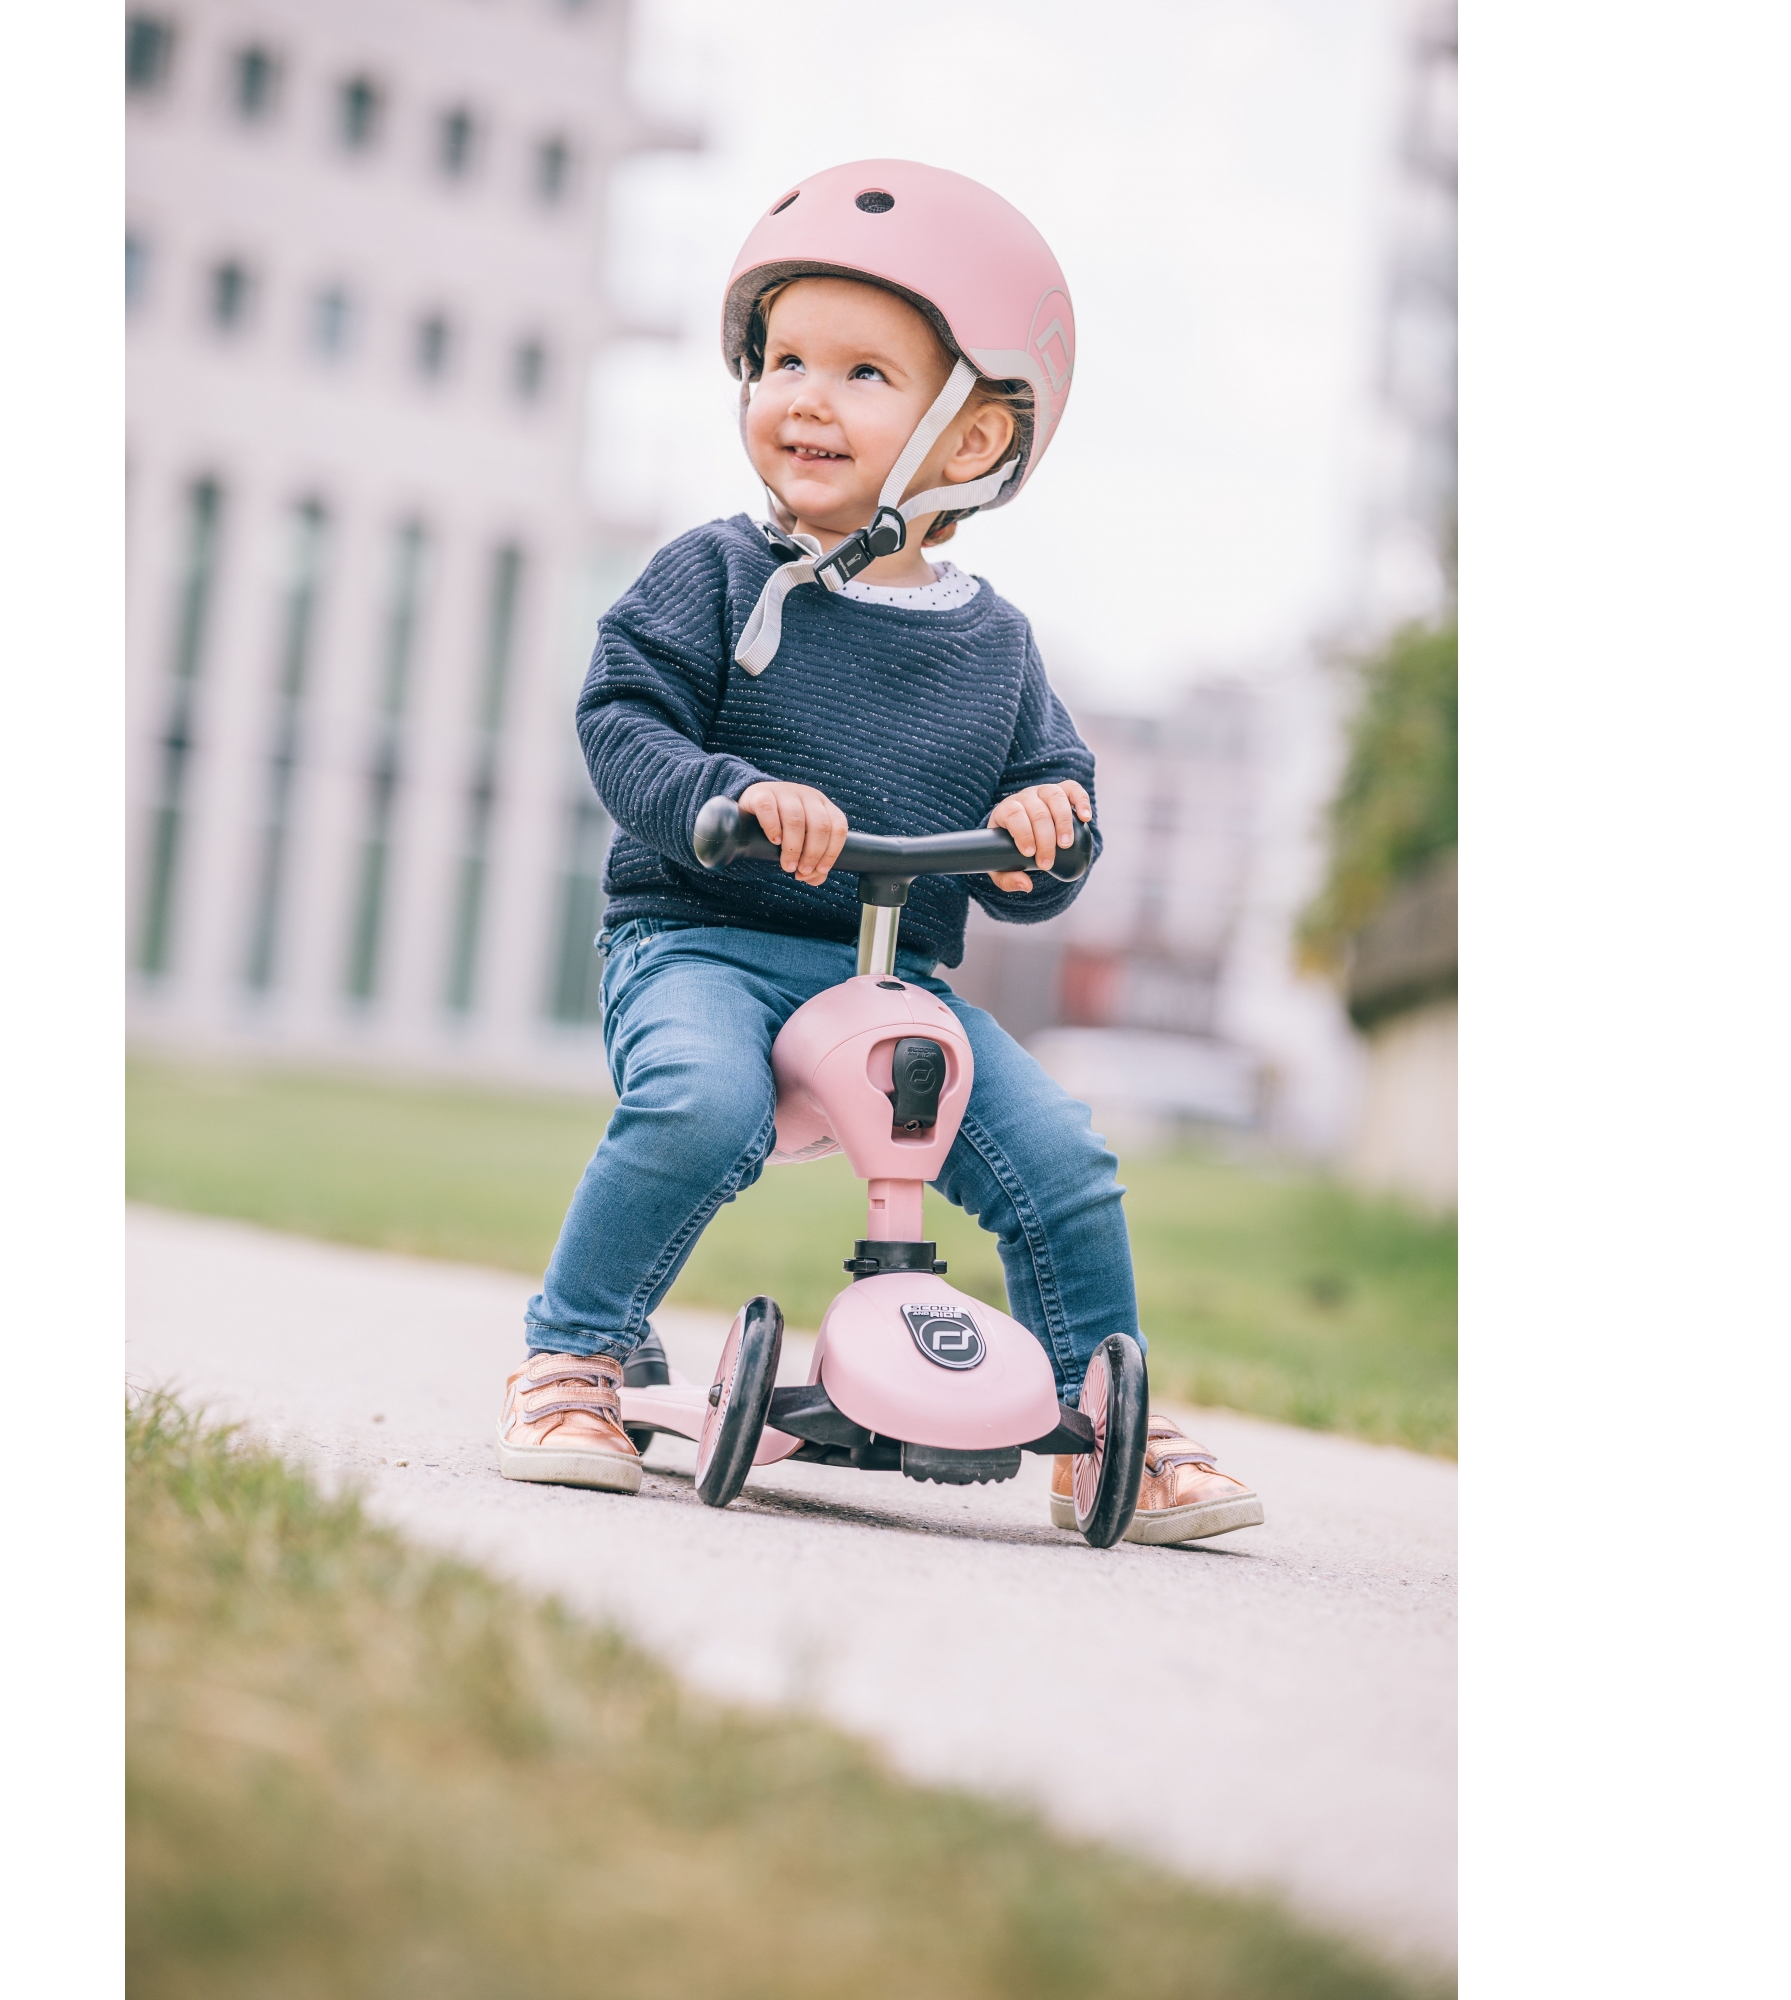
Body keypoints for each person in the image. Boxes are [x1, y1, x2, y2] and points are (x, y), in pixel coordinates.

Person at [497, 160, 1262, 1547]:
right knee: (697, 1107)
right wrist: (726, 794)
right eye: (782, 358)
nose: (804, 395)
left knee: (1062, 1159)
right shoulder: (716, 576)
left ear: (969, 442)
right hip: (701, 946)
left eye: (861, 372)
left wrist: (1045, 835)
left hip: (897, 977)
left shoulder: (995, 644)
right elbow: (623, 717)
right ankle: (576, 1359)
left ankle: (1105, 1433)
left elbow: (1055, 800)